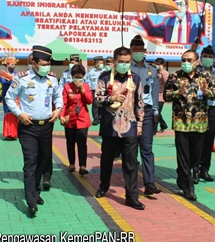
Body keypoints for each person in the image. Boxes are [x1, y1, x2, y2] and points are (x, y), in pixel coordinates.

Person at [6, 45, 63, 215]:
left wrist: (58, 109)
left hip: (47, 126)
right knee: (30, 162)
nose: (47, 67)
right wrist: (19, 113)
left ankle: (36, 191)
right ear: (35, 64)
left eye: (48, 63)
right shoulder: (22, 78)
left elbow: (58, 95)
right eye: (43, 64)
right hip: (28, 126)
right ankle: (31, 201)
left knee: (43, 161)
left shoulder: (52, 79)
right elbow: (9, 97)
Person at [164, 50, 215, 200]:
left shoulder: (206, 76)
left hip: (200, 123)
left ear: (196, 62)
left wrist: (207, 92)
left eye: (189, 60)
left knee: (196, 154)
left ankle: (182, 175)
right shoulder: (175, 76)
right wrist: (177, 93)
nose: (186, 63)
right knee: (183, 156)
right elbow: (165, 95)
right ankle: (188, 188)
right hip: (181, 123)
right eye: (183, 60)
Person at [94, 47, 144, 209]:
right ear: (114, 61)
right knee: (107, 159)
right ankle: (103, 186)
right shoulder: (105, 77)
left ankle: (132, 196)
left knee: (131, 163)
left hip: (129, 126)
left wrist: (140, 124)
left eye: (126, 62)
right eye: (120, 62)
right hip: (110, 126)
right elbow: (97, 99)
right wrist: (111, 98)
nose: (123, 65)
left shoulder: (135, 79)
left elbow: (140, 103)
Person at [129, 35, 162, 196]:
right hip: (131, 112)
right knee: (131, 150)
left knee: (147, 149)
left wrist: (156, 111)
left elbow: (155, 92)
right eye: (134, 50)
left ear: (144, 51)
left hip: (148, 112)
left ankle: (149, 183)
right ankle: (132, 183)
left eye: (139, 50)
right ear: (130, 51)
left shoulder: (152, 70)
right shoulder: (126, 68)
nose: (137, 52)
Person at [194, 46, 215, 183]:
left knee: (209, 141)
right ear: (201, 58)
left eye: (210, 57)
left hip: (212, 110)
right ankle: (194, 170)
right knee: (197, 142)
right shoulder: (195, 72)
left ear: (213, 59)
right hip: (199, 109)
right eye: (205, 56)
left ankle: (204, 170)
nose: (207, 59)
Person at [61, 64, 93, 175]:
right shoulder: (67, 87)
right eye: (76, 77)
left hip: (83, 120)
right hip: (70, 119)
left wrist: (83, 90)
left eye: (80, 77)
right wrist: (62, 116)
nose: (77, 79)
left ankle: (83, 166)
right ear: (72, 76)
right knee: (70, 142)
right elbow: (64, 103)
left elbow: (89, 101)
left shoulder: (86, 86)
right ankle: (72, 163)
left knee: (82, 143)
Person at [137, 0, 204, 44]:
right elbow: (152, 31)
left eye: (181, 4)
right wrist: (144, 17)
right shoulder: (169, 21)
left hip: (189, 55)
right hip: (172, 54)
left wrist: (201, 11)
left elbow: (204, 29)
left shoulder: (196, 18)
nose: (179, 8)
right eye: (176, 5)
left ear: (186, 6)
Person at [0, 53, 19, 140]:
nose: (13, 65)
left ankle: (15, 132)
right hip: (6, 95)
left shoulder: (16, 73)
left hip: (15, 96)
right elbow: (3, 82)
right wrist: (12, 80)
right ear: (7, 64)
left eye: (14, 64)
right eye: (12, 64)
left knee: (15, 112)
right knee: (8, 113)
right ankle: (8, 133)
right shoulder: (3, 73)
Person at [85, 56, 104, 126]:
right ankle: (96, 119)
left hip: (102, 90)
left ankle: (101, 117)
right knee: (95, 105)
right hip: (93, 90)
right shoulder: (91, 72)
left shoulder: (104, 71)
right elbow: (87, 81)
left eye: (102, 63)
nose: (102, 64)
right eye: (100, 63)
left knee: (102, 104)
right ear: (96, 64)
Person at [154, 58, 169, 134]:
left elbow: (166, 82)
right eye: (156, 64)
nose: (157, 65)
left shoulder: (165, 73)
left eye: (159, 64)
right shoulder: (153, 71)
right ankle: (162, 126)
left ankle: (159, 127)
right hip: (153, 95)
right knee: (154, 112)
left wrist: (161, 72)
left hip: (161, 96)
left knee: (157, 113)